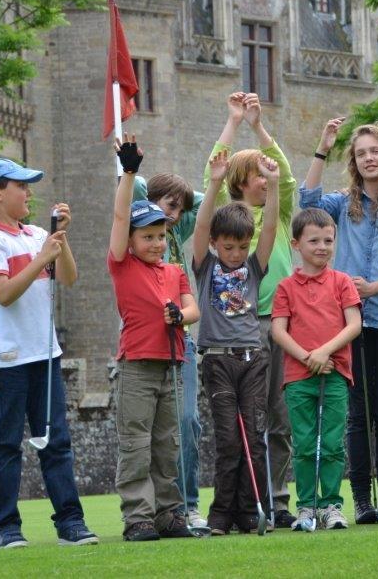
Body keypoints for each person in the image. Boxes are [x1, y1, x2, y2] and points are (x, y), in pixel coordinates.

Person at [0, 158, 97, 549]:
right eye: (20, 186)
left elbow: (69, 278)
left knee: (56, 441)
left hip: (45, 355)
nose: (28, 192)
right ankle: (5, 528)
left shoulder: (36, 233)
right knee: (5, 446)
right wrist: (43, 257)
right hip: (7, 361)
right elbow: (3, 295)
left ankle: (71, 523)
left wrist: (59, 241)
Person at [300, 120, 378, 524]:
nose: (369, 158)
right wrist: (322, 148)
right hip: (348, 324)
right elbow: (307, 204)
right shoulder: (341, 203)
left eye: (375, 151)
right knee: (356, 414)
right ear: (354, 160)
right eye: (362, 152)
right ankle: (362, 500)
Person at [205, 92, 298, 528]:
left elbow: (289, 180)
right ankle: (243, 502)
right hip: (240, 333)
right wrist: (232, 121)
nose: (267, 176)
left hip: (279, 324)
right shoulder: (232, 225)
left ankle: (276, 498)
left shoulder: (277, 218)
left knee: (278, 419)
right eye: (259, 174)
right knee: (243, 425)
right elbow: (215, 169)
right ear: (242, 181)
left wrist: (259, 128)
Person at [109, 135, 201, 541]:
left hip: (172, 365)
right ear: (131, 241)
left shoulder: (173, 271)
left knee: (168, 445)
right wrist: (129, 174)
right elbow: (117, 218)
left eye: (161, 236)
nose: (156, 243)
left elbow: (192, 308)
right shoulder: (122, 265)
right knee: (136, 444)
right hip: (137, 367)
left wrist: (180, 316)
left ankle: (169, 513)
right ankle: (138, 518)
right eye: (147, 236)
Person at [192, 149, 279, 534]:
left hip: (253, 359)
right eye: (228, 247)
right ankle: (220, 515)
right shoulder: (206, 265)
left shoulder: (253, 268)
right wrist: (214, 182)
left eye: (241, 247)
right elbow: (199, 228)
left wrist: (274, 187)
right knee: (229, 440)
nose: (235, 254)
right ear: (215, 244)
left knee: (255, 438)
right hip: (218, 360)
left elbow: (272, 230)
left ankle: (251, 511)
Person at [272, 208, 363, 531]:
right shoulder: (286, 287)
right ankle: (307, 506)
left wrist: (324, 352)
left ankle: (331, 505)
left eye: (328, 240)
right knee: (306, 444)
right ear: (296, 244)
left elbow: (354, 324)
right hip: (299, 378)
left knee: (334, 442)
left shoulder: (341, 282)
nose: (322, 247)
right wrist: (308, 357)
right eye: (314, 241)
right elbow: (279, 331)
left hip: (335, 373)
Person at [133, 166, 206, 529]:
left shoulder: (177, 233)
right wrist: (135, 174)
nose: (174, 215)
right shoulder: (135, 235)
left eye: (180, 209)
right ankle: (150, 512)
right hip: (144, 348)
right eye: (169, 206)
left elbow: (208, 199)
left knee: (187, 422)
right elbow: (134, 189)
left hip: (183, 343)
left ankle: (187, 505)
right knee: (146, 435)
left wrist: (185, 197)